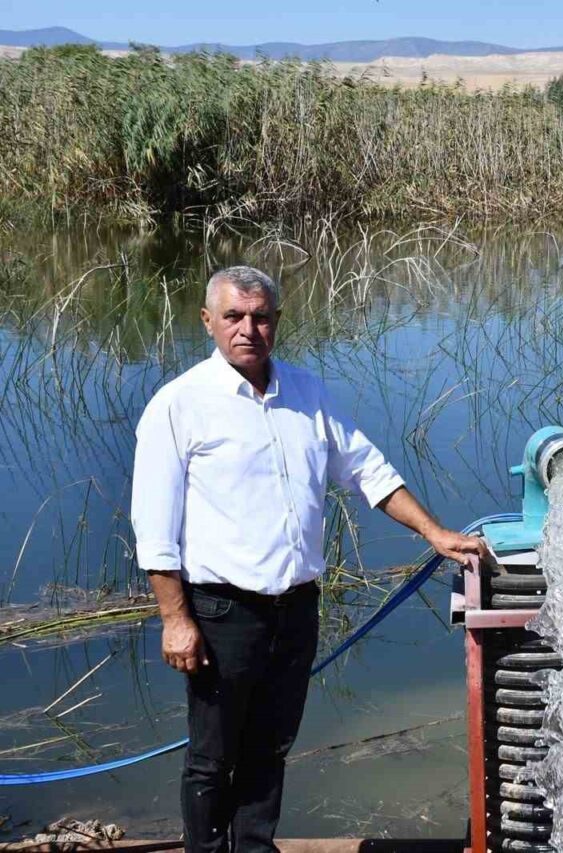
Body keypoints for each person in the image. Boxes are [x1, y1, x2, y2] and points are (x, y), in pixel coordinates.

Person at [131, 266, 487, 853]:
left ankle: (254, 846)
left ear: (276, 321)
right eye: (234, 317)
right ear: (208, 322)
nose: (249, 329)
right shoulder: (180, 405)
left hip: (296, 607)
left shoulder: (306, 391)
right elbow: (155, 527)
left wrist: (434, 532)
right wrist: (176, 619)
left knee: (270, 744)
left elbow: (366, 468)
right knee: (213, 755)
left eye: (262, 317)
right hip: (223, 611)